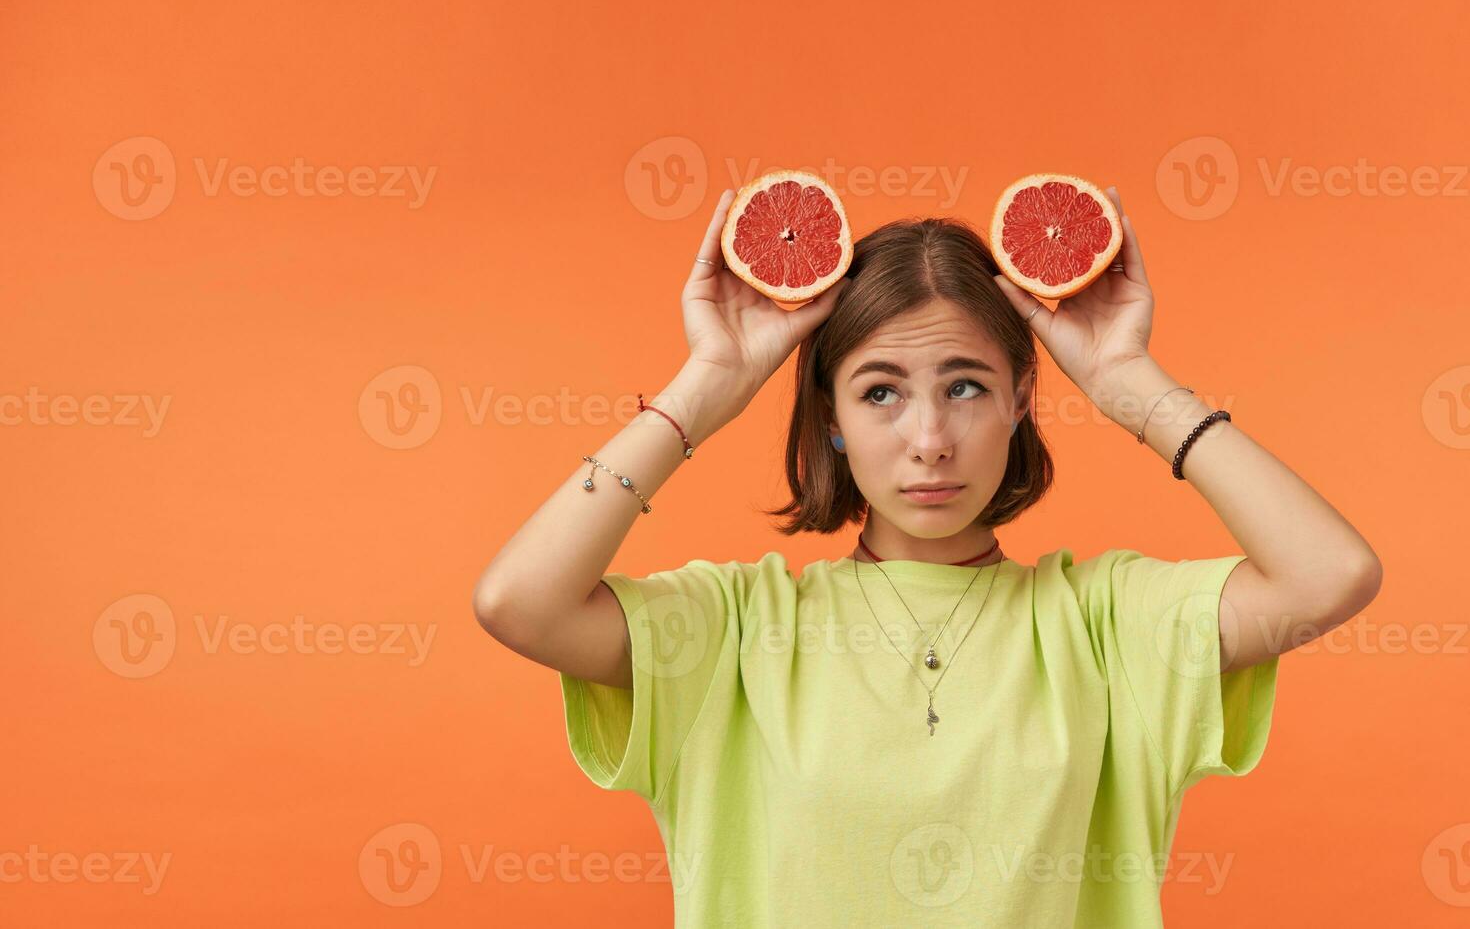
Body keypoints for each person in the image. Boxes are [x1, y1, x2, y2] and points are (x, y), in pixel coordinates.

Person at [472, 185, 1382, 927]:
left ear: (1021, 399)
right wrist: (704, 390)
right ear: (829, 417)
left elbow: (1327, 574)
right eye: (879, 392)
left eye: (965, 386)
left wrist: (1129, 385)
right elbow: (521, 601)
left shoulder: (1107, 625)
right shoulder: (735, 632)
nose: (930, 438)